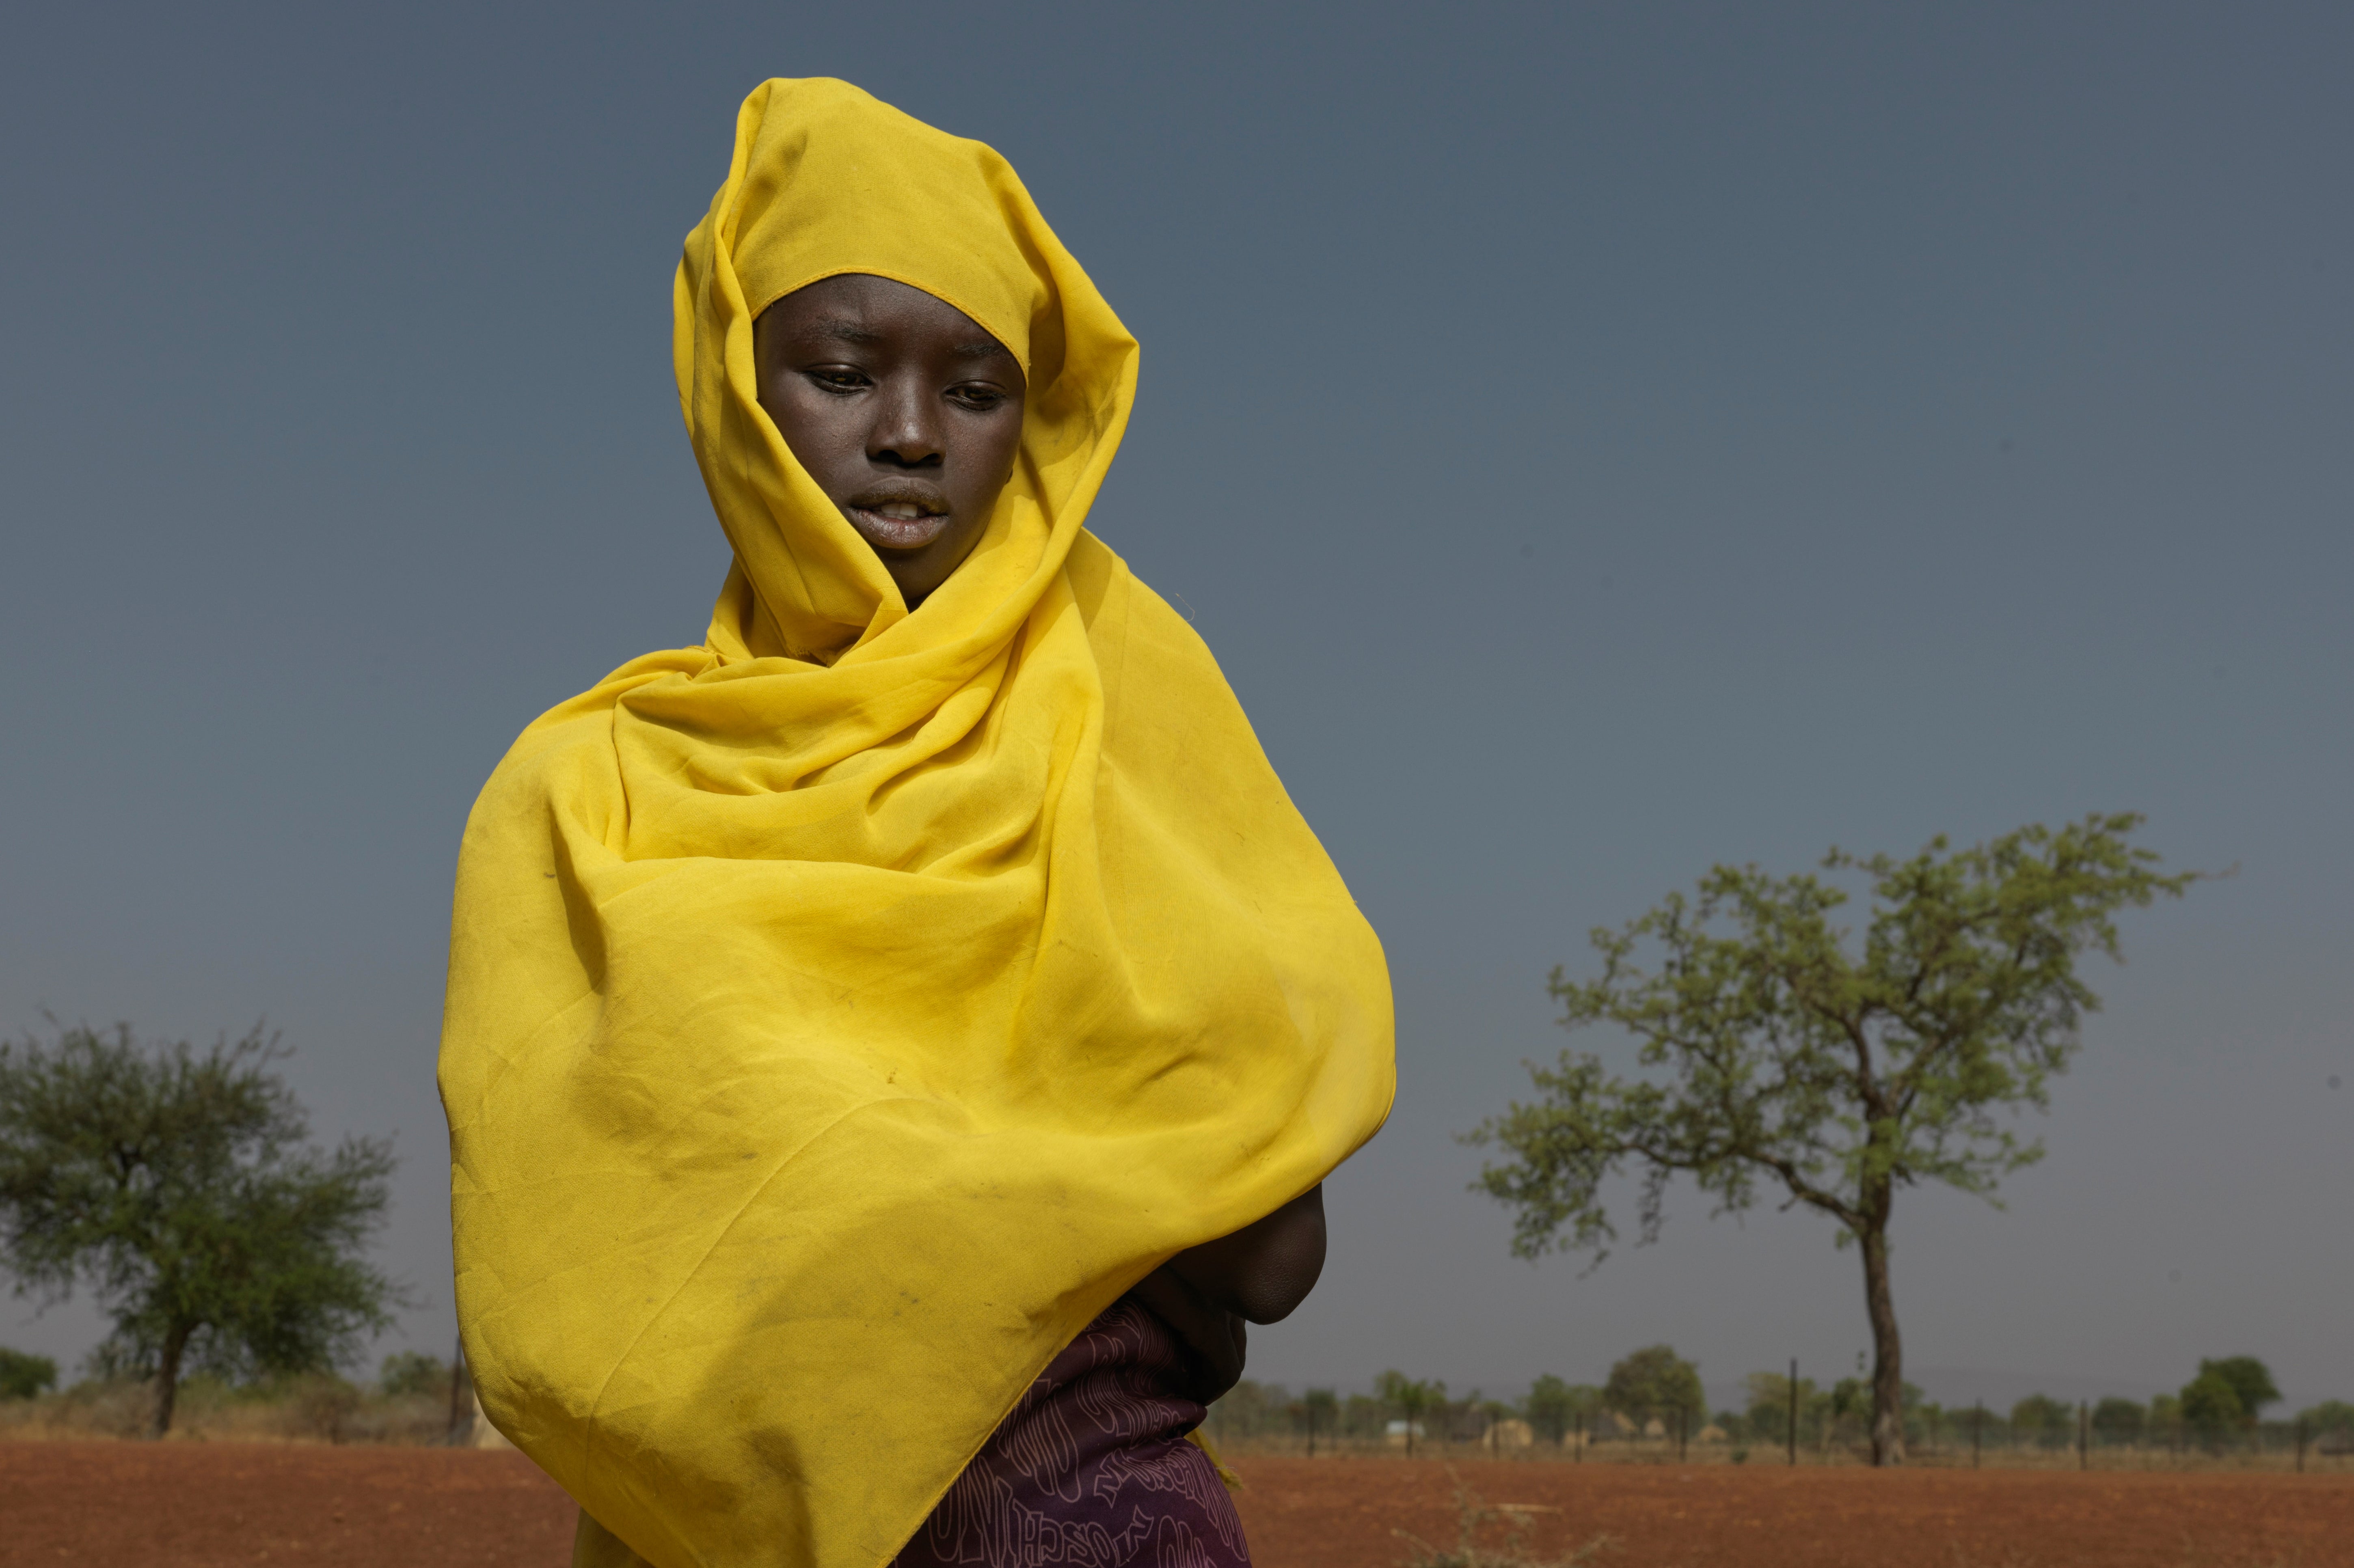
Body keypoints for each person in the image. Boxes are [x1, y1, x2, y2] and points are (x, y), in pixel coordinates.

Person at [439, 78, 1393, 1568]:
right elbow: (564, 1334)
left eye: (974, 388)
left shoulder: (1129, 697)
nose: (906, 435)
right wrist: (1041, 1139)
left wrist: (876, 1171)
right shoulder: (591, 793)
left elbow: (1278, 1252)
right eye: (840, 369)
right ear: (734, 389)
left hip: (1085, 1528)